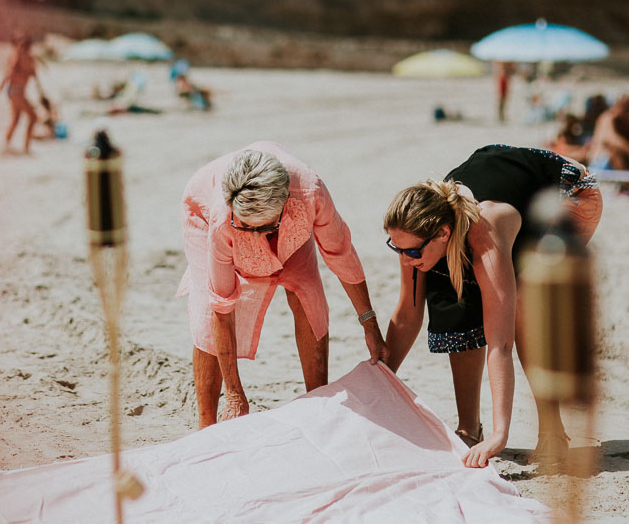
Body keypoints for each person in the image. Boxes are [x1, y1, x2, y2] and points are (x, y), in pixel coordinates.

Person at [382, 145, 603, 469]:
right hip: (494, 184)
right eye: (395, 248)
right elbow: (407, 313)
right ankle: (469, 428)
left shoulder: (487, 229)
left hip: (568, 193)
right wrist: (379, 379)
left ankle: (552, 429)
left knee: (523, 303)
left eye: (410, 253)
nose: (404, 259)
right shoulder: (414, 236)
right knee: (450, 296)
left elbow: (500, 342)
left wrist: (501, 434)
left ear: (443, 234)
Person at [178, 142, 387, 429]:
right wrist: (235, 394)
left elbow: (340, 253)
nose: (255, 237)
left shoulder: (310, 195)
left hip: (290, 226)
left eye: (263, 228)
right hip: (207, 217)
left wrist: (370, 324)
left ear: (284, 206)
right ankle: (206, 425)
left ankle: (317, 402)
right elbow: (222, 307)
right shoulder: (223, 218)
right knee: (206, 312)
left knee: (309, 297)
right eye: (248, 227)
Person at [0, 33, 44, 154]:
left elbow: (10, 72)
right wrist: (1, 85)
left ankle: (5, 146)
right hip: (17, 92)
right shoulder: (22, 57)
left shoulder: (21, 57)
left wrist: (1, 86)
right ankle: (26, 148)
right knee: (33, 117)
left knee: (16, 120)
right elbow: (10, 71)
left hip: (14, 92)